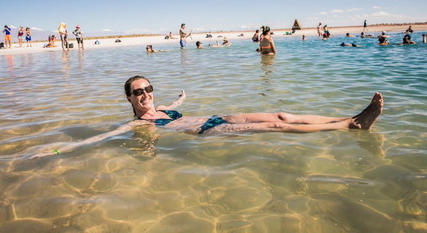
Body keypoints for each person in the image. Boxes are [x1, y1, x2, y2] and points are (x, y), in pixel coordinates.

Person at [30, 76, 384, 159]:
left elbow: (168, 103)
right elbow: (98, 139)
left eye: (148, 87)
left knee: (281, 112)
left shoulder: (162, 108)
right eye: (138, 91)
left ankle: (346, 116)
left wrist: (181, 98)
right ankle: (353, 125)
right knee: (276, 126)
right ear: (129, 98)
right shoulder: (136, 124)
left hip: (218, 115)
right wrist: (56, 151)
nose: (145, 93)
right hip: (207, 131)